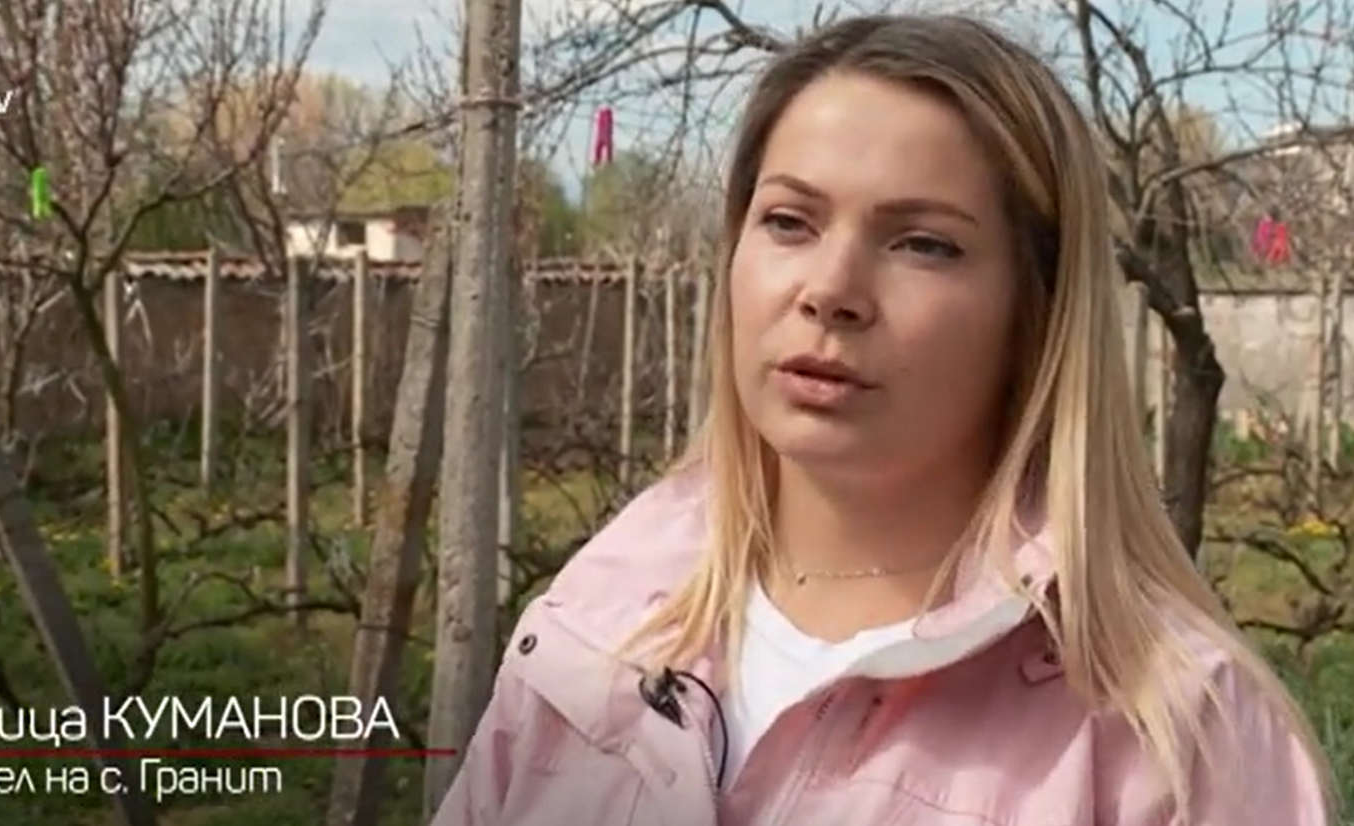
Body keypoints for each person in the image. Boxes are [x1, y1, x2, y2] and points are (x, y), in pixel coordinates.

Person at [430, 13, 1334, 826]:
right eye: (790, 222)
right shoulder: (600, 618)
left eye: (923, 243)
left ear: (1037, 311)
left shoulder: (1172, 743)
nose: (831, 289)